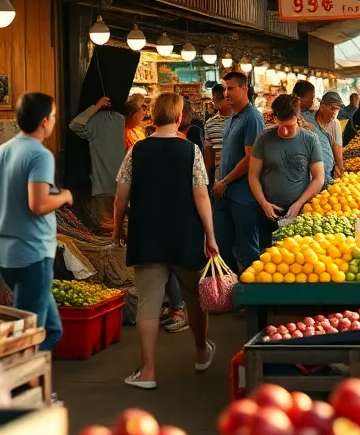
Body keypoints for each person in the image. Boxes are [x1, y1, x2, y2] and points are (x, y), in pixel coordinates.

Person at [112, 93, 219, 389]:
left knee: (148, 302)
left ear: (154, 117)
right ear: (180, 117)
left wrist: (117, 229)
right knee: (195, 298)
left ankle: (147, 372)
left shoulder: (137, 151)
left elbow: (121, 196)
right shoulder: (191, 151)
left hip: (146, 233)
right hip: (185, 234)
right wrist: (210, 236)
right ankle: (201, 352)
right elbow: (201, 195)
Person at [0, 93, 70, 353]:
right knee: (30, 336)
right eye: (54, 116)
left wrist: (5, 212)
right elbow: (38, 204)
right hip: (32, 255)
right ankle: (22, 387)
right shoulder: (40, 155)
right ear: (45, 121)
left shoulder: (2, 150)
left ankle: (33, 385)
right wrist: (64, 197)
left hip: (3, 253)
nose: (54, 121)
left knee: (52, 330)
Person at [248, 95, 325, 244]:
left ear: (297, 117)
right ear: (274, 117)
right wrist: (264, 203)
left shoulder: (310, 139)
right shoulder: (264, 138)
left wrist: (299, 204)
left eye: (289, 126)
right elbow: (253, 176)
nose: (283, 131)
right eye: (280, 125)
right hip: (268, 212)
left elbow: (318, 178)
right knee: (268, 256)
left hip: (301, 213)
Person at [213, 72, 267, 273]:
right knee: (223, 245)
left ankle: (254, 299)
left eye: (231, 88)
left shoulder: (252, 117)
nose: (226, 93)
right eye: (225, 88)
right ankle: (233, 292)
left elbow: (251, 158)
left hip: (243, 194)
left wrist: (225, 181)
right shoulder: (232, 117)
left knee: (247, 248)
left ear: (244, 89)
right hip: (225, 192)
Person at [68, 95, 132, 221]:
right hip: (120, 187)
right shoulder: (120, 120)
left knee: (103, 230)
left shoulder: (95, 121)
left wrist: (95, 107)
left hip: (101, 188)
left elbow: (74, 125)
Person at [294, 81, 341, 185]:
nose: (312, 101)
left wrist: (339, 166)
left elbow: (337, 148)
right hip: (307, 174)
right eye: (311, 97)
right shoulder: (296, 117)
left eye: (337, 110)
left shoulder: (332, 122)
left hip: (324, 173)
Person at [204, 84, 231, 184]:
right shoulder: (210, 123)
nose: (213, 101)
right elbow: (209, 156)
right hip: (219, 179)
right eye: (214, 97)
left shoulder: (242, 120)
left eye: (218, 98)